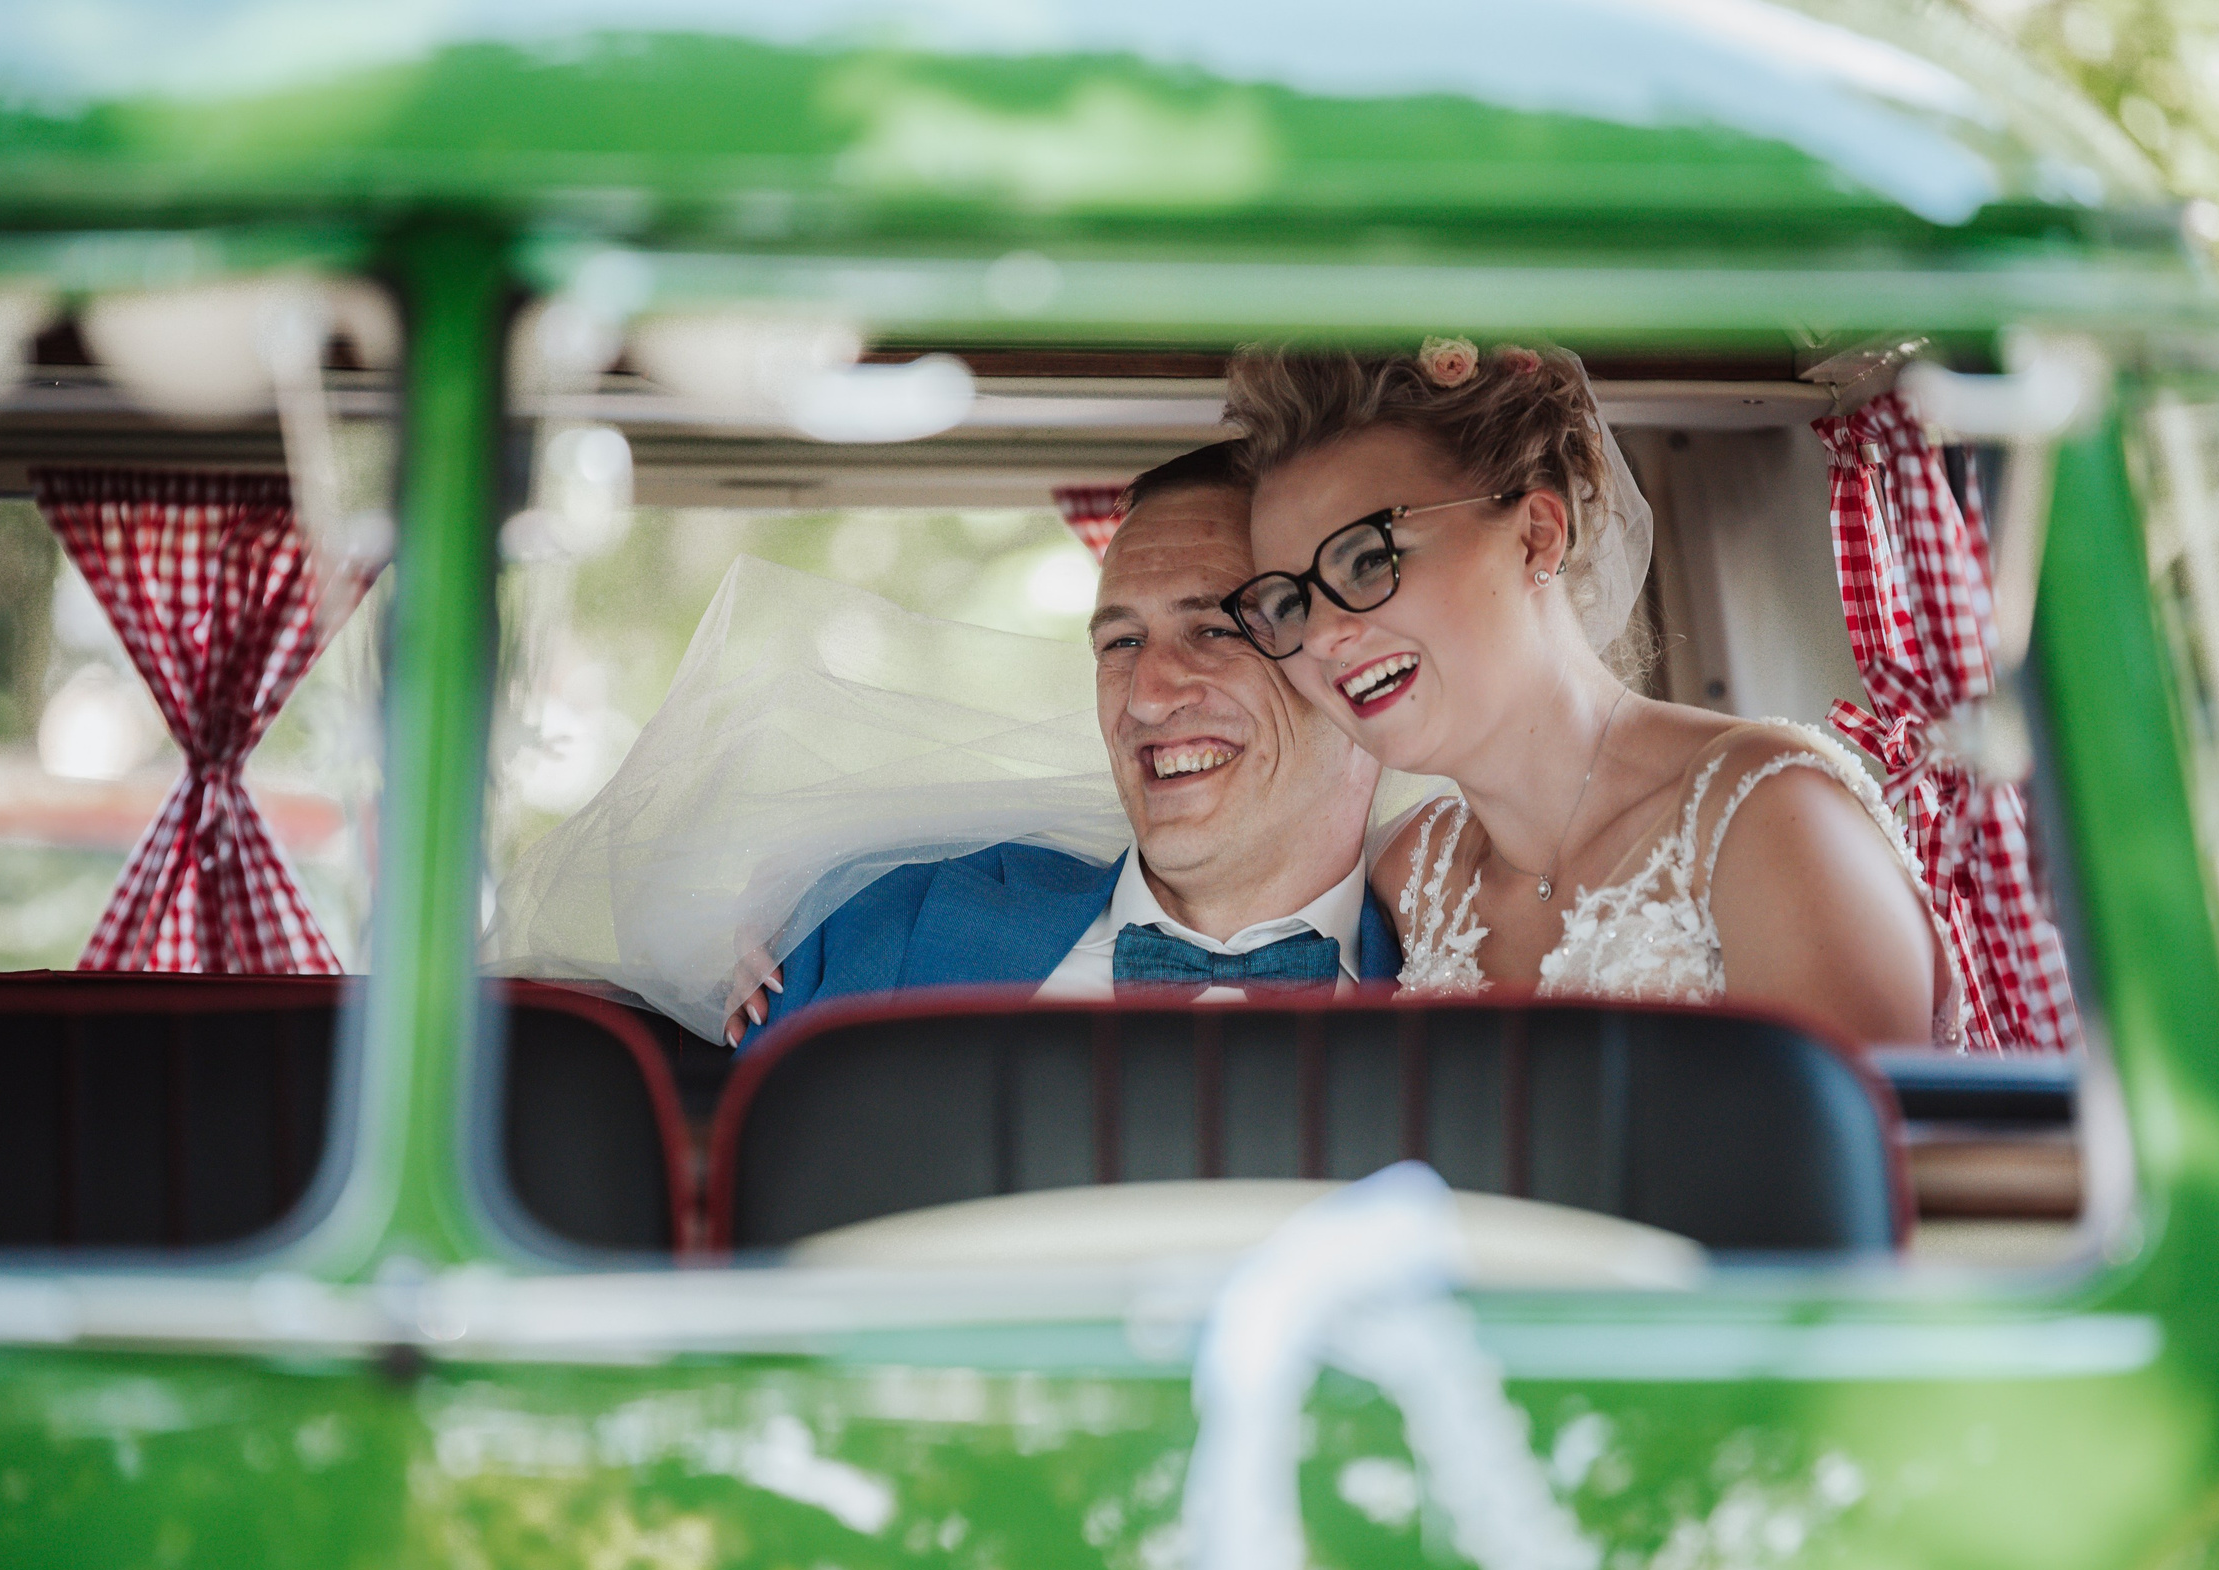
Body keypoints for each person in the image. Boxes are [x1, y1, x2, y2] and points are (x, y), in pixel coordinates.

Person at [1221, 339, 1959, 1047]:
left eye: (1367, 558)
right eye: (1288, 604)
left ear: (1537, 534)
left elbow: (1855, 1169)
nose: (1320, 636)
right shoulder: (1409, 871)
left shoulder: (1772, 822)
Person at [730, 442, 1404, 1045]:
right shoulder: (886, 929)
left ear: (1351, 668)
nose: (1145, 695)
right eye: (1122, 642)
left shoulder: (1472, 974)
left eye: (1215, 630)